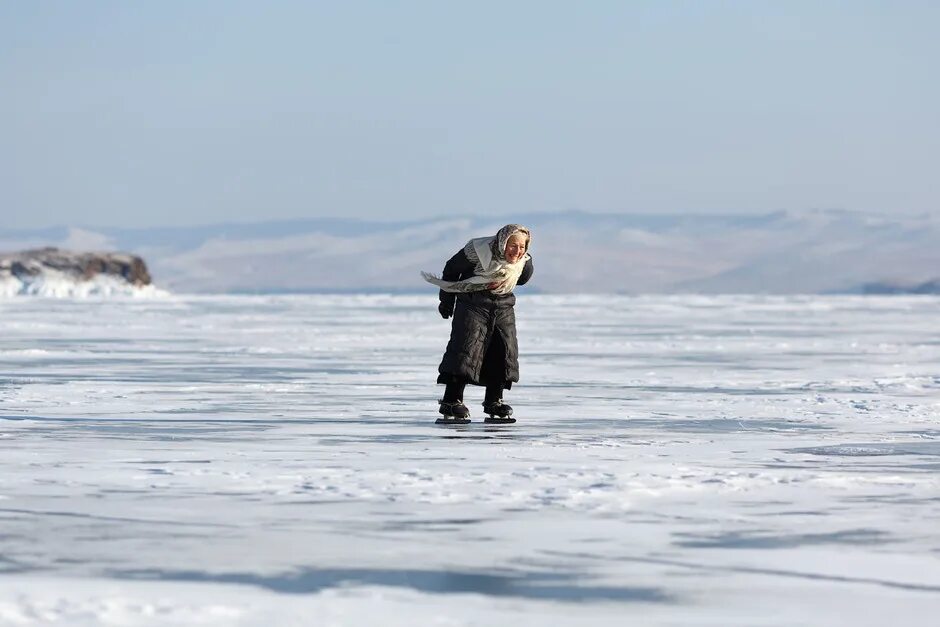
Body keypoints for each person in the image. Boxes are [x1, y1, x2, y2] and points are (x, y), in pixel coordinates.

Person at [421, 224, 534, 424]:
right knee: (466, 350)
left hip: (503, 306)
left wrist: (527, 262)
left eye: (522, 247)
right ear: (502, 242)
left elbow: (523, 279)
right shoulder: (478, 251)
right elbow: (451, 269)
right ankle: (451, 400)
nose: (517, 252)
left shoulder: (522, 261)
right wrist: (446, 300)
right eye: (512, 245)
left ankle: (494, 401)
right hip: (472, 303)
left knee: (504, 352)